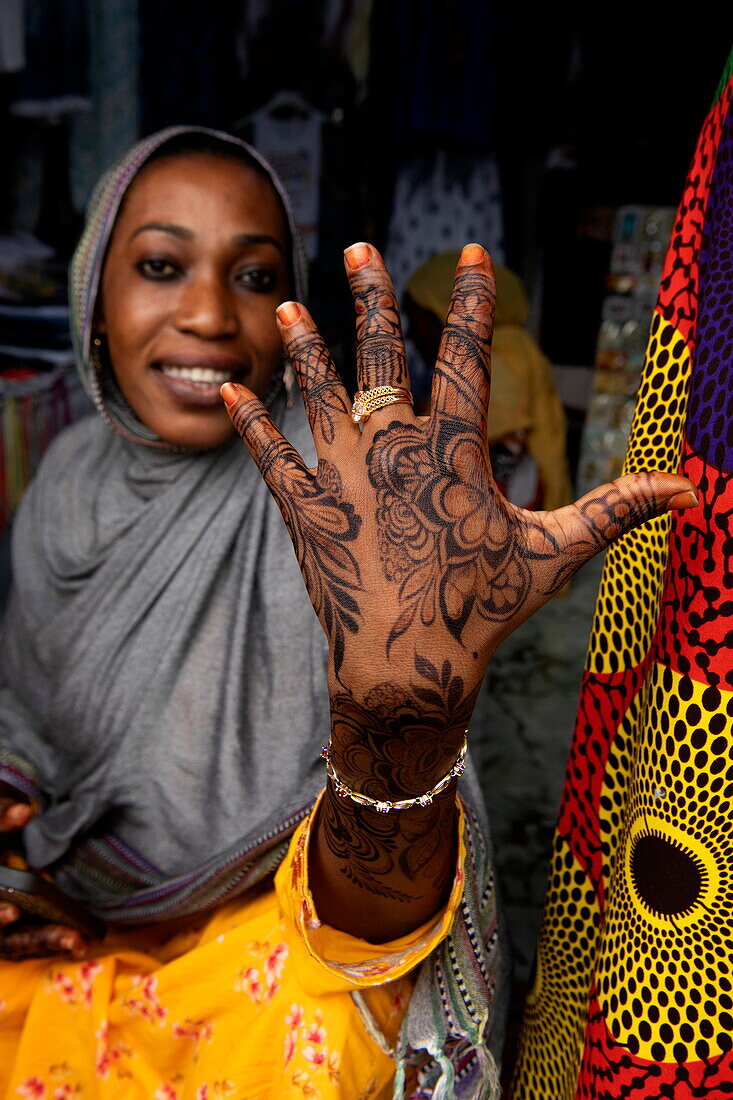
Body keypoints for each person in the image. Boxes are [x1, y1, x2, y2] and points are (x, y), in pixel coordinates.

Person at [0, 127, 696, 1099]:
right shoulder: (64, 485)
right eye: (161, 265)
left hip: (284, 942)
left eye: (254, 276)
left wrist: (393, 735)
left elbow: (372, 923)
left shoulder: (349, 505)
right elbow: (22, 736)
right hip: (67, 916)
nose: (208, 312)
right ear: (94, 303)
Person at [403, 252, 572, 512]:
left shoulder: (496, 359)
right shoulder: (508, 347)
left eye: (415, 319)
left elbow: (483, 452)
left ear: (444, 312)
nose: (411, 334)